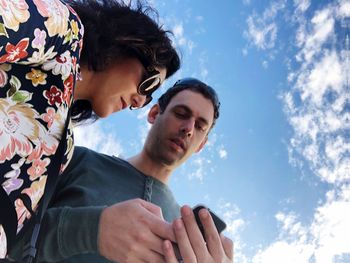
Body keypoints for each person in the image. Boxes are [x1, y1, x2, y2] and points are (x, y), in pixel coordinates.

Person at [0, 0, 180, 259]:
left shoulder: (64, 148)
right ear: (128, 40)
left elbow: (16, 235)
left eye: (149, 98)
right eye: (148, 84)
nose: (140, 101)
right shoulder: (62, 29)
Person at [9, 78, 233, 263]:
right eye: (182, 113)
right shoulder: (75, 159)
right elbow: (7, 232)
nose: (188, 129)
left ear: (201, 145)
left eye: (200, 126)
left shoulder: (188, 237)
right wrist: (90, 230)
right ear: (154, 113)